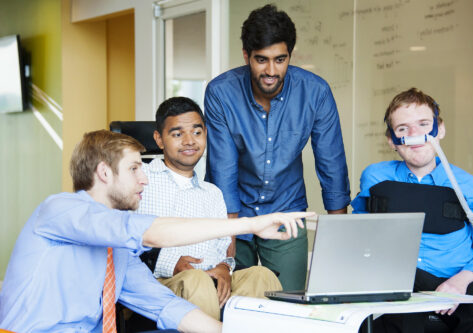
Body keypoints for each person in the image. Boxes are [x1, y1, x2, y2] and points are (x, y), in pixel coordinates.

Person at [0, 129, 312, 333]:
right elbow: (149, 232)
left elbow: (167, 306)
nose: (145, 179)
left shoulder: (119, 252)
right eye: (135, 168)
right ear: (104, 173)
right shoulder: (59, 210)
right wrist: (250, 224)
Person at [204, 4, 350, 290]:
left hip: (287, 211)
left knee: (289, 305)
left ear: (290, 56)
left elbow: (331, 163)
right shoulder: (221, 93)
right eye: (261, 60)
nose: (271, 71)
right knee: (232, 304)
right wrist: (227, 245)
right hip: (234, 213)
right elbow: (223, 169)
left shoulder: (315, 92)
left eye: (280, 60)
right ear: (246, 56)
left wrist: (339, 238)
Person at [351, 88, 473, 332]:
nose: (414, 135)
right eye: (402, 129)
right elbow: (358, 234)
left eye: (423, 124)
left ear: (439, 129)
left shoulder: (468, 187)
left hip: (457, 287)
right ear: (391, 140)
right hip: (401, 285)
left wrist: (459, 282)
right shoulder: (376, 178)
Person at [138, 97, 282, 320]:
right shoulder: (140, 180)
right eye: (177, 134)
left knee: (261, 276)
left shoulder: (213, 193)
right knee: (197, 281)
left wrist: (225, 267)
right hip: (161, 282)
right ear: (159, 139)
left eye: (197, 132)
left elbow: (223, 247)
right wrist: (170, 263)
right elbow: (126, 238)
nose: (189, 141)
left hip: (212, 279)